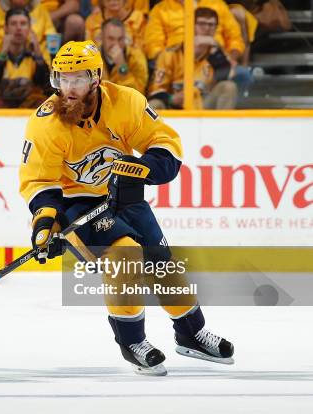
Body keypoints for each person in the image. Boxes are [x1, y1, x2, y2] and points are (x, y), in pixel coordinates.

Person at [19, 40, 234, 375]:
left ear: (95, 79)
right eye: (62, 78)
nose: (68, 88)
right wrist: (46, 222)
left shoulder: (126, 101)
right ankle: (132, 341)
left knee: (163, 266)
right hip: (76, 205)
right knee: (124, 258)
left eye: (77, 78)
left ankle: (190, 334)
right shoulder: (46, 123)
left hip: (123, 196)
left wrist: (140, 170)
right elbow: (39, 181)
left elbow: (166, 146)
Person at [147, 7, 237, 110]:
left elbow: (228, 77)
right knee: (154, 104)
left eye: (211, 24)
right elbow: (155, 90)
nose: (207, 28)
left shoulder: (217, 53)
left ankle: (222, 126)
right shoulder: (170, 54)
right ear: (191, 26)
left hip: (203, 105)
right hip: (173, 105)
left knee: (229, 87)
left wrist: (215, 52)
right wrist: (172, 99)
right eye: (202, 24)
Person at [0, 8, 50, 108]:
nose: (18, 28)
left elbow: (45, 85)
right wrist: (3, 53)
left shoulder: (40, 51)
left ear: (30, 28)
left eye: (23, 24)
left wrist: (38, 56)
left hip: (30, 107)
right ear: (5, 28)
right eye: (13, 24)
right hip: (1, 108)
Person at [0, 0, 56, 64]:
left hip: (35, 65)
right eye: (13, 23)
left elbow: (52, 40)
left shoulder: (41, 11)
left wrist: (37, 50)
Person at [99, 18, 147, 94]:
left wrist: (122, 66)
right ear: (101, 37)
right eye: (111, 39)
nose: (116, 44)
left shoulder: (136, 57)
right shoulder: (91, 56)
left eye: (120, 39)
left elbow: (137, 94)